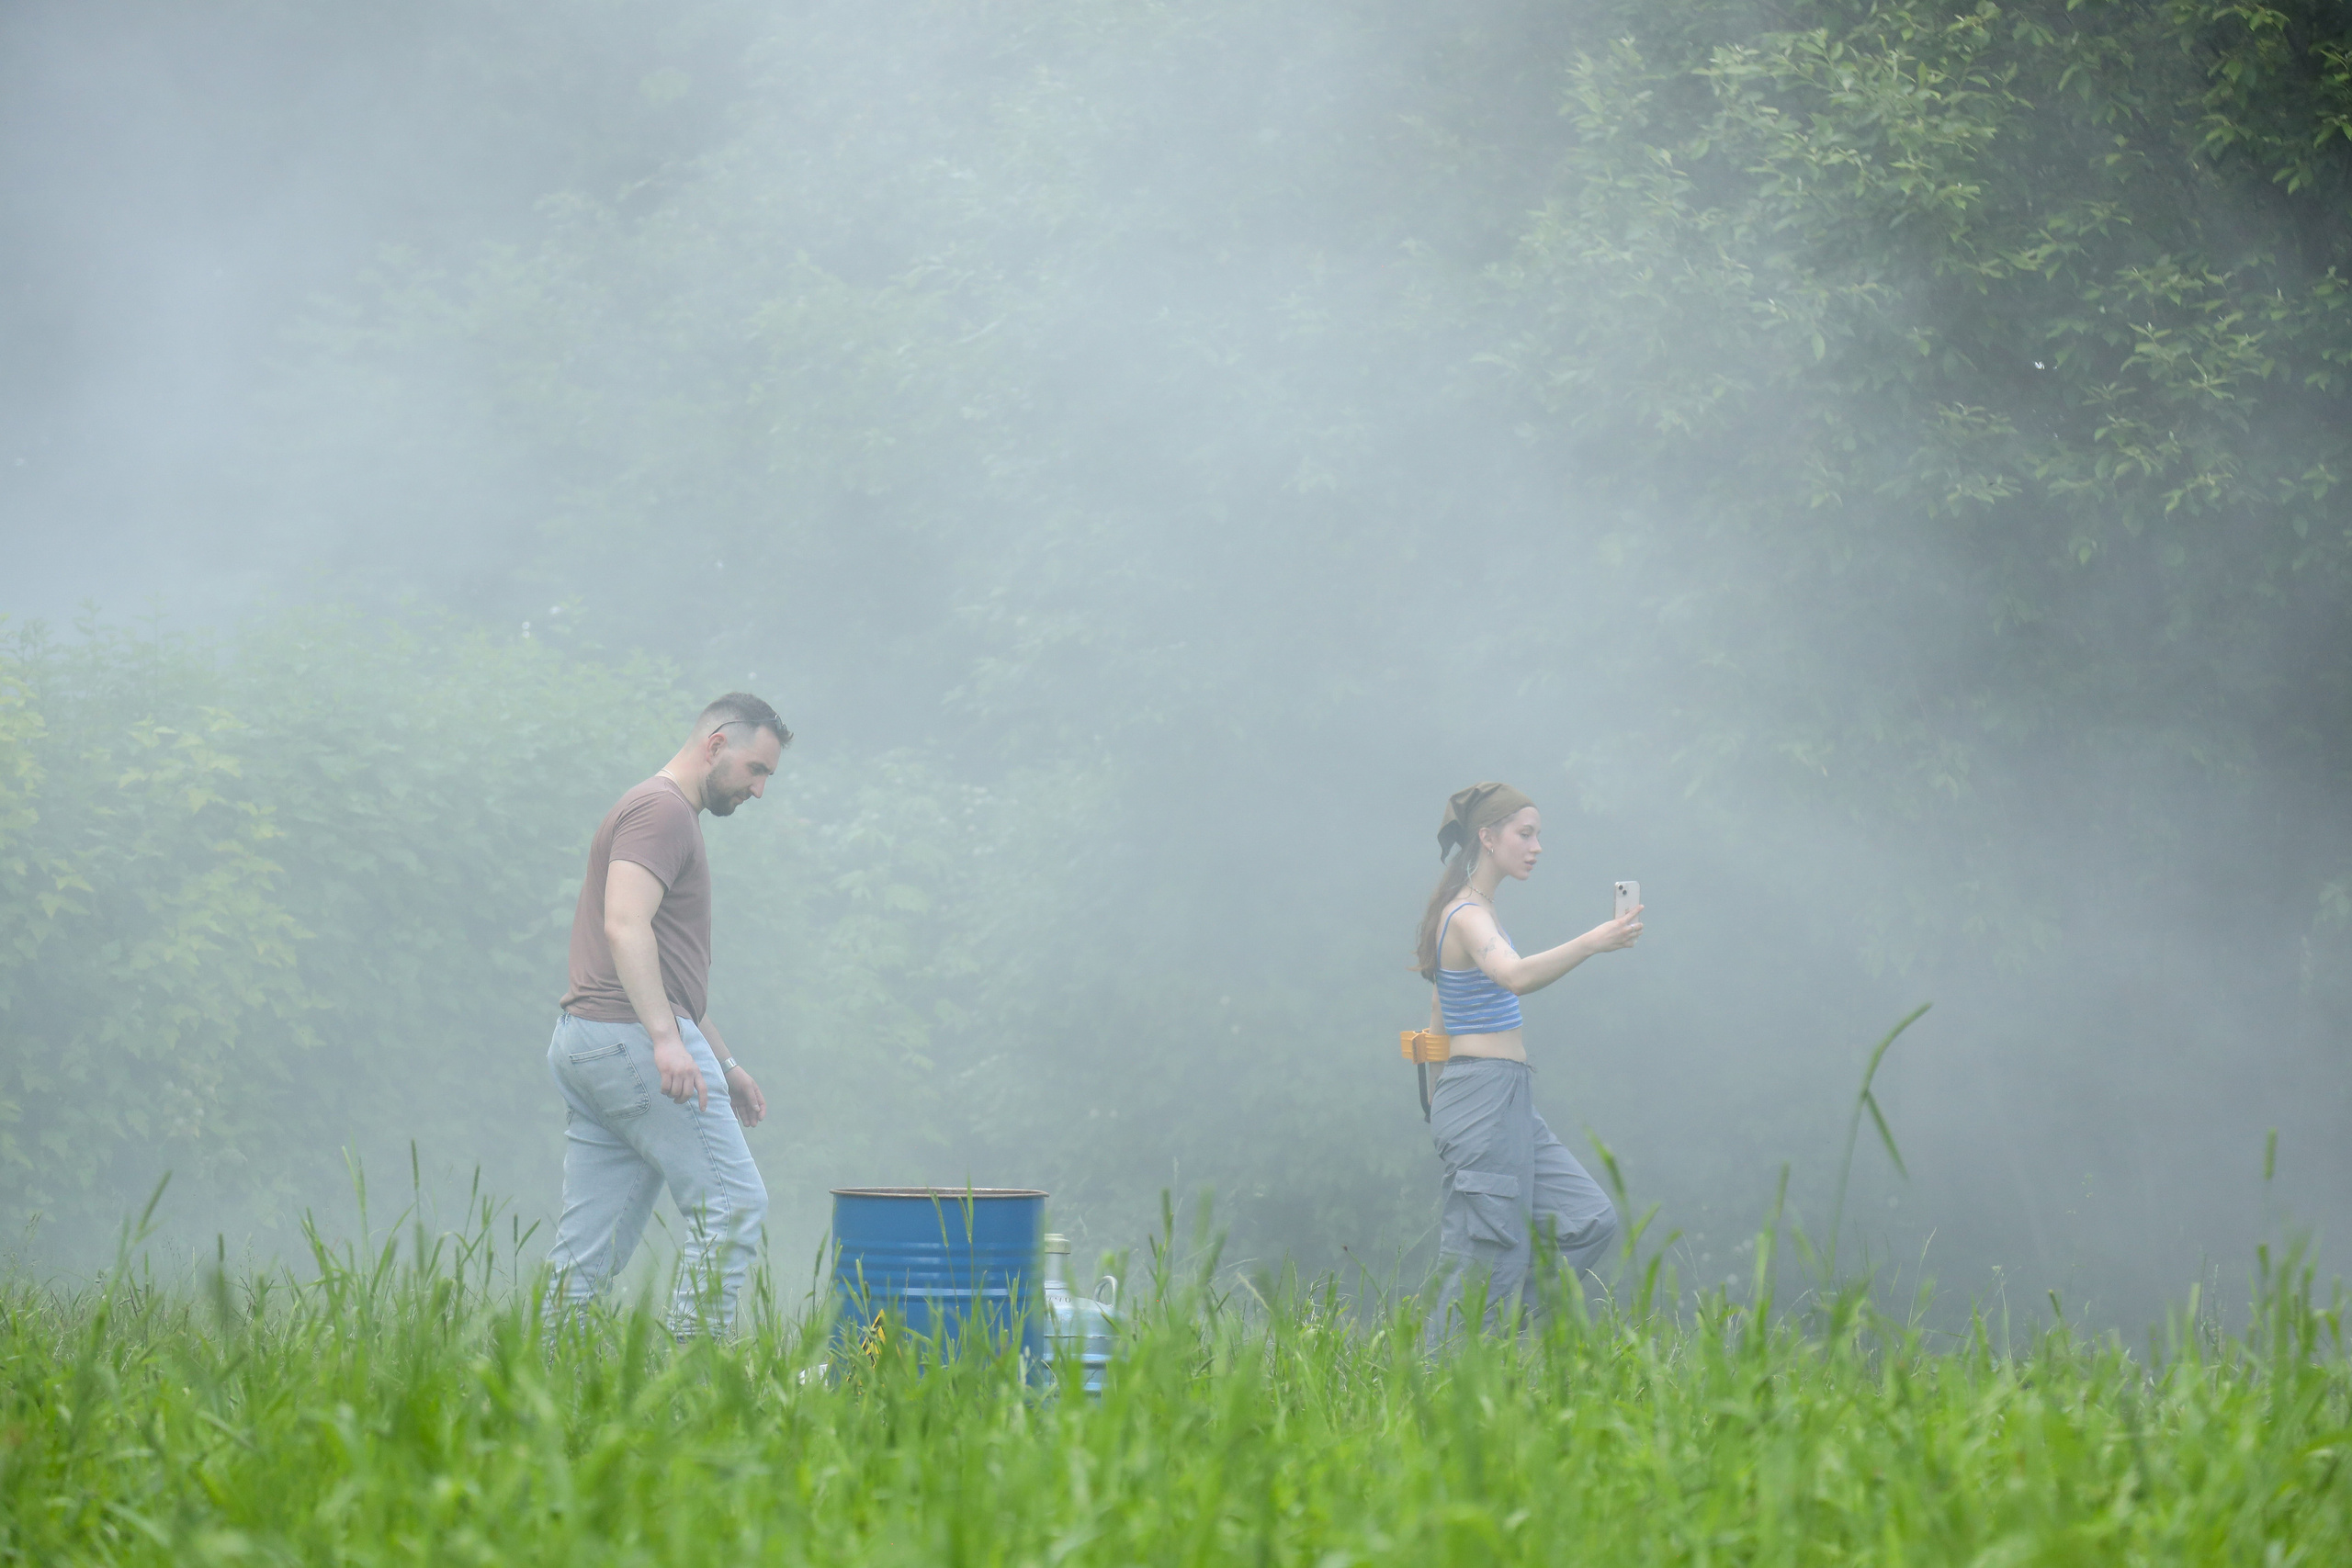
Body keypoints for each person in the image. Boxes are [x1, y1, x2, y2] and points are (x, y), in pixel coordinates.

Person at [542, 693, 789, 1337]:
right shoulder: (663, 812)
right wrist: (663, 1038)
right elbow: (625, 926)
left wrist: (725, 1062)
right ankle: (690, 1386)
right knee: (734, 1205)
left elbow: (667, 973)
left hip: (589, 1040)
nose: (760, 790)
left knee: (589, 1245)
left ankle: (542, 1386)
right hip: (629, 1037)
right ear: (715, 745)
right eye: (756, 770)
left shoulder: (659, 811)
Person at [1417, 781, 1643, 1342]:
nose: (1537, 845)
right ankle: (1440, 1379)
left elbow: (1439, 1008)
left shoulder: (1479, 911)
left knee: (1590, 1220)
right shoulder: (1468, 915)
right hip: (1483, 1098)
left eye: (1537, 834)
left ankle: (1492, 1334)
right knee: (1483, 1252)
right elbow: (1514, 976)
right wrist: (1594, 941)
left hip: (1506, 1098)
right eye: (1526, 833)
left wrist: (1434, 1097)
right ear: (1488, 838)